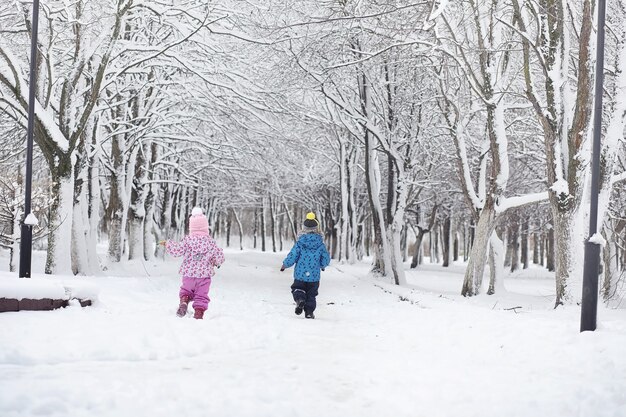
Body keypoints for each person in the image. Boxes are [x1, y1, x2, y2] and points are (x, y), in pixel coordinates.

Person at [160, 207, 224, 319]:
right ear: (205, 227)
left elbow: (177, 250)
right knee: (201, 296)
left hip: (188, 274)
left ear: (191, 227)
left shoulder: (188, 240)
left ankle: (184, 302)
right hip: (204, 276)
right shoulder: (210, 242)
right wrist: (216, 261)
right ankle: (198, 313)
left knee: (186, 291)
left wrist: (168, 244)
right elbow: (219, 256)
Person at [280, 212, 330, 319]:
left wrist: (285, 264)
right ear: (317, 228)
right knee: (312, 295)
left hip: (300, 274)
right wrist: (322, 265)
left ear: (304, 228)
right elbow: (325, 258)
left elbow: (293, 256)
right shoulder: (320, 244)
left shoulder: (300, 243)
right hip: (314, 276)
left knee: (297, 288)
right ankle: (309, 312)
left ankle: (300, 299)